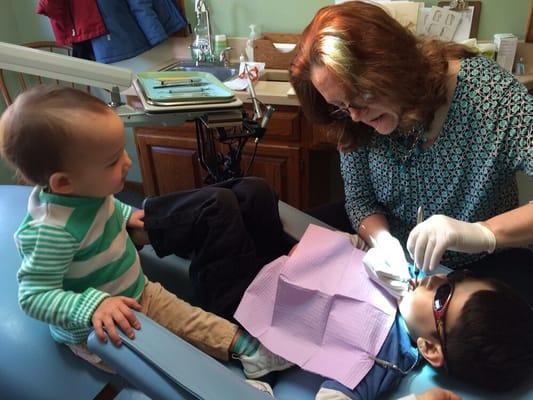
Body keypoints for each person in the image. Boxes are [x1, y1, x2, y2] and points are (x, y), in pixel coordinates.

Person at [0, 86, 291, 388]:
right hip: (103, 325)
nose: (127, 162)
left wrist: (126, 215)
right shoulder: (51, 231)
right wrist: (93, 307)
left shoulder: (88, 190)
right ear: (63, 183)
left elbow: (107, 204)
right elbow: (34, 297)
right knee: (168, 361)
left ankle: (249, 351)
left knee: (191, 320)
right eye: (113, 161)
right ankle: (221, 388)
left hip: (137, 291)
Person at [289, 1, 533, 303]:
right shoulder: (355, 121)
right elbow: (360, 198)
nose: (354, 115)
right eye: (341, 106)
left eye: (359, 98)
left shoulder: (488, 95)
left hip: (483, 263)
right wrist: (381, 240)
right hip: (403, 265)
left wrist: (482, 234)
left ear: (389, 66)